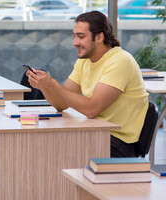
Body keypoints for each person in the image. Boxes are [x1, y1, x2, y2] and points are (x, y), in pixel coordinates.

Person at [26, 11, 149, 157]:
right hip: (95, 132)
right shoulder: (84, 62)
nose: (75, 43)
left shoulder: (120, 61)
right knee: (41, 145)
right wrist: (44, 86)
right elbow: (61, 104)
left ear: (99, 37)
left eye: (81, 37)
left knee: (50, 150)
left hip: (117, 142)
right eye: (74, 36)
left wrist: (52, 84)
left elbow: (92, 109)